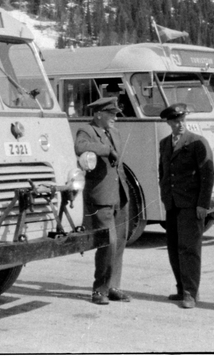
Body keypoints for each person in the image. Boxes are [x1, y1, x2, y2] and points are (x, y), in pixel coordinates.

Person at [157, 103, 214, 309]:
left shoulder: (197, 142)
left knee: (189, 249)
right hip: (172, 204)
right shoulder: (165, 143)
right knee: (174, 249)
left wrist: (203, 204)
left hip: (191, 205)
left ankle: (191, 292)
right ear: (169, 123)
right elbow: (163, 171)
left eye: (182, 120)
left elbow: (207, 175)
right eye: (175, 121)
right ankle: (181, 288)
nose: (180, 124)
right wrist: (165, 196)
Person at [75, 96, 130, 305]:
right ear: (98, 114)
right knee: (109, 243)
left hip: (120, 195)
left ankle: (113, 286)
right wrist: (106, 150)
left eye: (116, 114)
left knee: (119, 243)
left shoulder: (114, 132)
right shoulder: (87, 131)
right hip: (101, 197)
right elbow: (80, 147)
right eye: (111, 114)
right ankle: (99, 290)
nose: (115, 117)